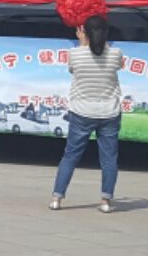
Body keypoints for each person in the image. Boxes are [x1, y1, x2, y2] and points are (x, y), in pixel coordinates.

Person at [52, 13, 123, 213]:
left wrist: (84, 45)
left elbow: (73, 71)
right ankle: (106, 201)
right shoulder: (116, 53)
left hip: (81, 112)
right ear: (106, 33)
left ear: (83, 32)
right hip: (109, 113)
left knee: (71, 156)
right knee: (109, 158)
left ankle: (57, 198)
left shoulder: (75, 54)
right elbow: (117, 65)